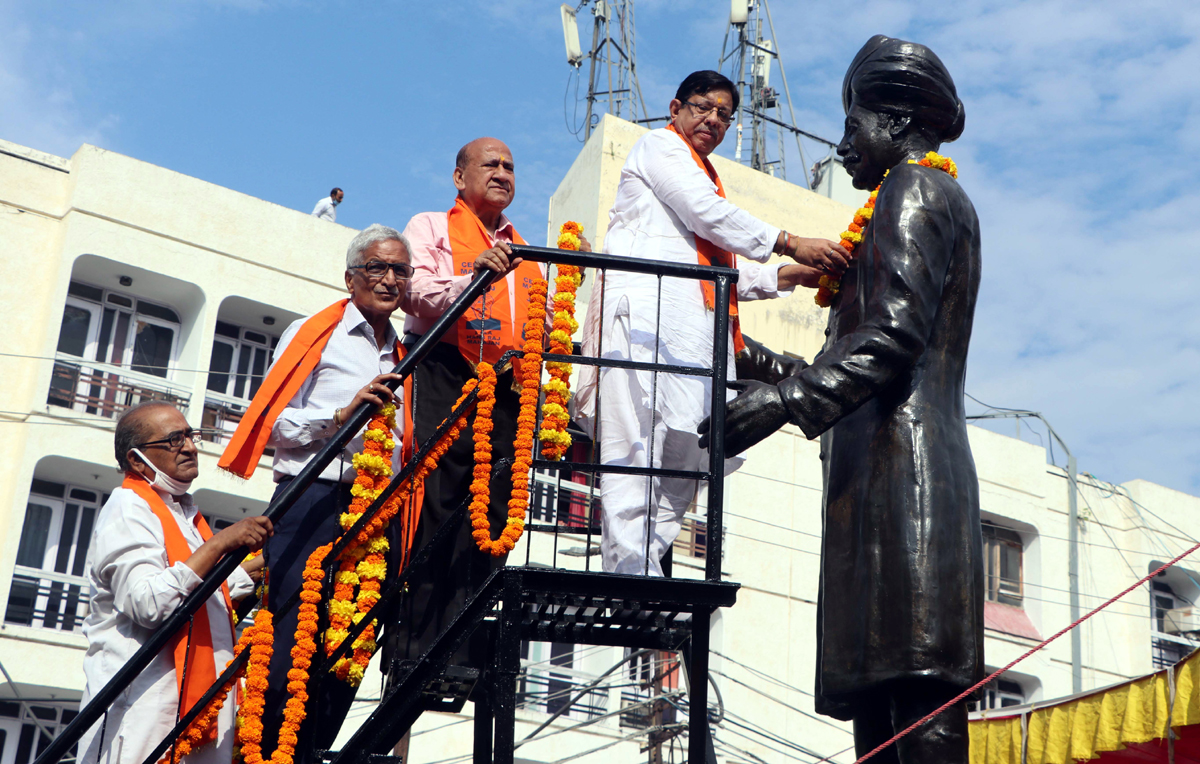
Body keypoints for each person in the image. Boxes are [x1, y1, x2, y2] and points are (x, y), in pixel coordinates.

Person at [703, 36, 982, 764]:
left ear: (891, 123)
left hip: (908, 483)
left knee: (919, 711)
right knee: (878, 716)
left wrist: (780, 405)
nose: (843, 143)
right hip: (877, 485)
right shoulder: (901, 199)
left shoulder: (916, 190)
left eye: (852, 124)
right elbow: (843, 358)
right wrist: (739, 352)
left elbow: (892, 340)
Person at [575, 70, 850, 576]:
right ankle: (629, 576)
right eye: (703, 107)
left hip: (693, 340)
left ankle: (644, 569)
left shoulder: (705, 175)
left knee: (688, 457)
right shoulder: (659, 147)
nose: (713, 120)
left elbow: (717, 269)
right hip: (641, 327)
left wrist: (790, 275)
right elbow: (707, 214)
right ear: (675, 108)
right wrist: (790, 242)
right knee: (633, 453)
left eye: (724, 114)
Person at [217, 224, 413, 763]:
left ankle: (309, 750)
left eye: (400, 270)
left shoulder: (404, 349)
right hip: (311, 495)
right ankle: (263, 749)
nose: (389, 279)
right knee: (286, 634)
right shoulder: (315, 333)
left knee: (352, 641)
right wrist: (339, 417)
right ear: (350, 277)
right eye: (377, 267)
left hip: (375, 510)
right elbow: (269, 421)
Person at [79, 401, 273, 764]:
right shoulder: (128, 508)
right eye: (172, 440)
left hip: (203, 706)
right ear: (137, 460)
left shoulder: (183, 512)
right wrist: (221, 543)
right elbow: (148, 603)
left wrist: (272, 560)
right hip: (145, 704)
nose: (189, 447)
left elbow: (211, 592)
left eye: (189, 436)